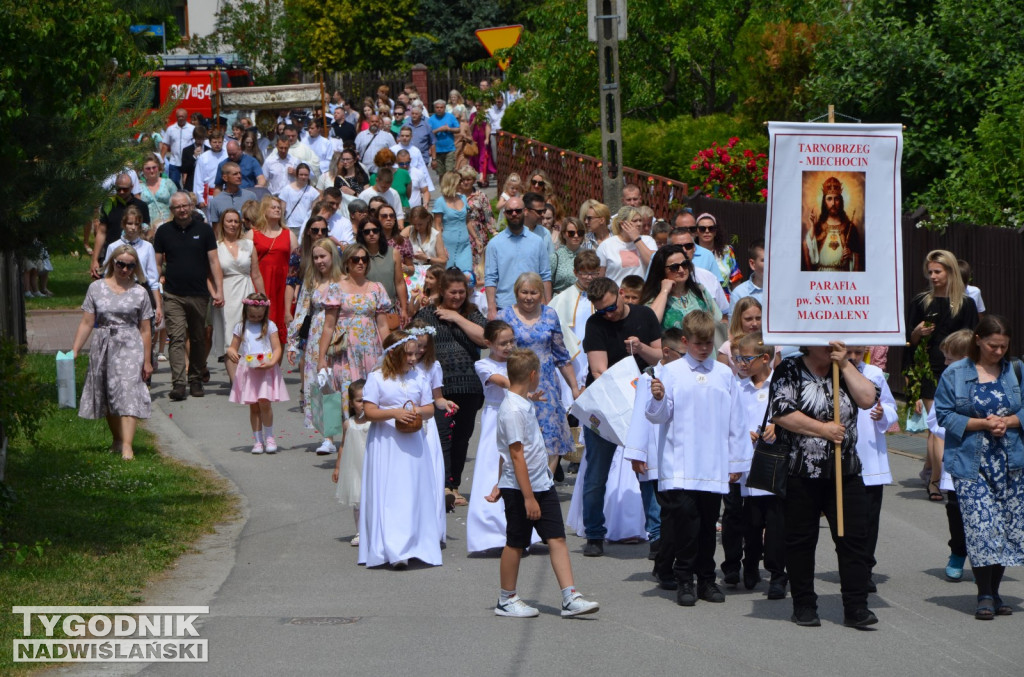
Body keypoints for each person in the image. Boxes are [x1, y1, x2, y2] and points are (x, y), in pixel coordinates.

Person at [768, 341, 880, 627]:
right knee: (801, 540)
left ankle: (856, 606)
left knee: (853, 540)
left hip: (845, 471)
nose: (835, 344)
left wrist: (844, 365)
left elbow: (868, 399)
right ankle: (804, 604)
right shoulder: (790, 368)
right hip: (801, 470)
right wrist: (824, 430)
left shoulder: (846, 369)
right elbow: (781, 411)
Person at [488, 348, 601, 618]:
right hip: (521, 489)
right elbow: (515, 456)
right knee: (516, 542)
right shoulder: (513, 411)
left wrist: (530, 397)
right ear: (533, 375)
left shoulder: (521, 401)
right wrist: (527, 497)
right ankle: (506, 599)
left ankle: (569, 596)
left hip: (542, 483)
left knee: (557, 538)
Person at [644, 311, 745, 606]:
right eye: (698, 344)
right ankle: (684, 578)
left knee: (707, 525)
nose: (704, 349)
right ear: (685, 341)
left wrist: (736, 462)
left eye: (708, 344)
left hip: (712, 464)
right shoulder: (671, 372)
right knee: (686, 524)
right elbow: (657, 416)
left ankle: (706, 580)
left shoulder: (724, 374)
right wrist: (659, 398)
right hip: (681, 462)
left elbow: (735, 421)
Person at [935, 314, 1024, 620]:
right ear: (977, 340)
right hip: (970, 463)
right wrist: (982, 424)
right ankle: (984, 593)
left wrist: (1008, 421)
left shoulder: (1016, 370)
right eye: (992, 346)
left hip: (1011, 463)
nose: (998, 352)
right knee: (981, 528)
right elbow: (944, 414)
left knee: (1003, 529)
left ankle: (996, 592)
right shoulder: (956, 373)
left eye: (1003, 347)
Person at [580, 276, 663, 556]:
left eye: (611, 307)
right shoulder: (596, 324)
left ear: (623, 295)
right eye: (601, 311)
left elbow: (660, 357)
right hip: (606, 404)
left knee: (647, 471)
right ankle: (594, 533)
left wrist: (641, 348)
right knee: (596, 474)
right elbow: (598, 371)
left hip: (642, 401)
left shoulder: (645, 315)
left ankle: (657, 535)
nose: (608, 314)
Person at [358, 331, 444, 569]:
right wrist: (394, 412)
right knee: (391, 493)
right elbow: (370, 412)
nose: (413, 358)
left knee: (413, 491)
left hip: (413, 442)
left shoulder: (419, 377)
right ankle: (393, 548)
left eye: (415, 353)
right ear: (394, 354)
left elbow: (429, 408)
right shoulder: (377, 378)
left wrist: (415, 412)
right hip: (387, 443)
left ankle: (417, 543)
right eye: (408, 354)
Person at [908, 249, 980, 500]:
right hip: (928, 368)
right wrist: (917, 331)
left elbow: (973, 339)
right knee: (936, 425)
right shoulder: (921, 301)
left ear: (950, 272)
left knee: (950, 424)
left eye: (937, 271)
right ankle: (936, 481)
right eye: (929, 272)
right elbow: (909, 340)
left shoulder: (965, 304)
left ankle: (932, 468)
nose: (933, 276)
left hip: (958, 370)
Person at [71, 244, 154, 461]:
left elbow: (145, 329)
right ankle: (117, 439)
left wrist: (147, 361)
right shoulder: (96, 288)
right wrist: (75, 350)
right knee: (109, 394)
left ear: (135, 268)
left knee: (128, 391)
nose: (125, 269)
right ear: (112, 263)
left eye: (130, 265)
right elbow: (87, 322)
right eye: (121, 264)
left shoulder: (140, 292)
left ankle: (128, 446)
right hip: (103, 344)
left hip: (130, 343)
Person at [412, 269, 487, 507]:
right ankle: (442, 484)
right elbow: (414, 341)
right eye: (452, 292)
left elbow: (486, 338)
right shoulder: (426, 314)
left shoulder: (472, 313)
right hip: (439, 386)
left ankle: (454, 485)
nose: (457, 297)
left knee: (462, 437)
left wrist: (456, 317)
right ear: (442, 291)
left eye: (461, 292)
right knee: (443, 436)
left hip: (469, 385)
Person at [499, 273, 581, 471]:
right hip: (517, 381)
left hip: (546, 384)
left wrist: (574, 387)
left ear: (541, 294)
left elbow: (561, 355)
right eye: (524, 292)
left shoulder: (550, 314)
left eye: (534, 293)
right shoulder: (504, 316)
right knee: (521, 436)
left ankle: (547, 485)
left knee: (550, 436)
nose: (529, 297)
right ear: (516, 293)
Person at [467, 321, 534, 553]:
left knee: (519, 466)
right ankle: (491, 531)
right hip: (495, 415)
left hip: (519, 412)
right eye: (502, 343)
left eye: (511, 342)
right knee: (491, 466)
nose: (508, 347)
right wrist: (522, 387)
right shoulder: (483, 364)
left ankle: (523, 528)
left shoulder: (518, 361)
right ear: (489, 343)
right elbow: (501, 381)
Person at [622, 329, 686, 571]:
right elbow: (639, 415)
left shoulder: (684, 376)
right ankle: (658, 543)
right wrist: (637, 453)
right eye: (682, 354)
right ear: (667, 353)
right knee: (654, 502)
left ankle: (670, 548)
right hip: (652, 450)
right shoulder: (650, 376)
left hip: (675, 449)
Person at [730, 332, 787, 598]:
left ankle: (777, 574)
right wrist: (744, 434)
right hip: (748, 469)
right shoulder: (737, 387)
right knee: (750, 524)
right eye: (738, 358)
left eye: (746, 358)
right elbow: (729, 422)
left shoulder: (781, 386)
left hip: (774, 467)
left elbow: (795, 415)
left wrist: (778, 425)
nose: (741, 364)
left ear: (765, 358)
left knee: (776, 524)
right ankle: (749, 564)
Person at [154, 192, 224, 401]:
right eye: (177, 207)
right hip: (173, 293)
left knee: (198, 337)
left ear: (191, 206)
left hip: (199, 293)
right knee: (176, 338)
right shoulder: (163, 232)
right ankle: (179, 383)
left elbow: (213, 261)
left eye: (185, 206)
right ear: (172, 210)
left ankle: (195, 378)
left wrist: (218, 290)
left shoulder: (204, 231)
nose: (182, 210)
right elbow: (157, 264)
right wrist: (155, 288)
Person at [847, 344, 898, 592]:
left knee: (869, 518)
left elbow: (890, 405)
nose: (854, 358)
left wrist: (882, 413)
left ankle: (865, 567)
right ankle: (851, 564)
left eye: (858, 352)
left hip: (869, 455)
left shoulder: (874, 374)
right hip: (844, 455)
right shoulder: (833, 373)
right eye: (849, 352)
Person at [287, 240, 344, 453]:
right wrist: (292, 344)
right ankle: (328, 437)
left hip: (341, 335)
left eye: (324, 256)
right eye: (316, 257)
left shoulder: (344, 280)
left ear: (333, 256)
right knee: (323, 384)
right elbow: (301, 311)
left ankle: (349, 434)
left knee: (341, 384)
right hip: (317, 334)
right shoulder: (312, 282)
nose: (320, 261)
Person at [926, 329, 974, 581]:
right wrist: (964, 426)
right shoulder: (948, 379)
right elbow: (934, 421)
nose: (944, 364)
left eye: (949, 359)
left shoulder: (990, 377)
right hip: (958, 454)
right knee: (956, 509)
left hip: (987, 457)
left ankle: (983, 560)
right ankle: (957, 552)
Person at [227, 292, 289, 454]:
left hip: (265, 369)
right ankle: (258, 440)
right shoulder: (241, 327)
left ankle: (269, 437)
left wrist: (272, 362)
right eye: (252, 316)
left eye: (258, 316)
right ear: (246, 312)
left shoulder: (270, 326)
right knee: (254, 407)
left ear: (265, 313)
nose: (255, 318)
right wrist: (231, 351)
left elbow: (277, 349)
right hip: (249, 370)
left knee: (265, 403)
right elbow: (233, 346)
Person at [212, 209, 264, 384]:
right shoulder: (215, 246)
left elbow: (256, 273)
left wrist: (262, 297)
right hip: (226, 292)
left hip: (247, 289)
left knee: (248, 335)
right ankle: (237, 383)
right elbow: (208, 274)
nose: (233, 224)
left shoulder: (248, 245)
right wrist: (215, 294)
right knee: (229, 337)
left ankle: (250, 378)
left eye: (236, 221)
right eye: (229, 221)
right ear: (222, 223)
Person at [484, 197, 552, 320]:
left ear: (525, 211)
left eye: (518, 210)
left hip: (533, 305)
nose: (514, 214)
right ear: (505, 214)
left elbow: (545, 275)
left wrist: (548, 304)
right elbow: (490, 278)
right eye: (510, 211)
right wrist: (491, 309)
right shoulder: (494, 244)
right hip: (505, 306)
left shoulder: (537, 241)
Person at [640, 245, 722, 332]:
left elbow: (718, 321)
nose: (681, 270)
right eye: (674, 267)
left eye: (684, 264)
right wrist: (664, 292)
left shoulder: (700, 290)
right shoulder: (653, 299)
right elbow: (650, 324)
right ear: (661, 270)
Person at [251, 196, 299, 334]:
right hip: (260, 281)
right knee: (258, 324)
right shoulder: (252, 234)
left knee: (280, 325)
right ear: (264, 210)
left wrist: (295, 290)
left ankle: (278, 355)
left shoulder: (289, 234)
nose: (277, 209)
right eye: (273, 207)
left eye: (279, 207)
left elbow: (295, 266)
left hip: (282, 284)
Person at [333, 379, 370, 547]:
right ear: (352, 403)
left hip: (370, 466)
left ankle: (374, 529)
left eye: (366, 400)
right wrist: (338, 467)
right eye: (359, 400)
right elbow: (343, 445)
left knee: (372, 498)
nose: (363, 404)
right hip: (355, 467)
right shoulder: (349, 424)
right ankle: (360, 531)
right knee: (357, 500)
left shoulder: (374, 423)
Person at [91, 174, 151, 276]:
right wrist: (94, 259)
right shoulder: (108, 205)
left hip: (134, 255)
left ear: (132, 187)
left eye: (125, 189)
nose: (121, 192)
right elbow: (101, 232)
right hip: (112, 252)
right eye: (118, 189)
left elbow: (147, 231)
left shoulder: (141, 206)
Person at [801, 177, 864, 273]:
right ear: (824, 202)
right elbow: (807, 248)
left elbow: (858, 256)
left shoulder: (850, 227)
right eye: (829, 199)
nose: (833, 203)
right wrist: (813, 227)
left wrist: (851, 255)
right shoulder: (817, 227)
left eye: (836, 199)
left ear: (841, 201)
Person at [356, 218, 408, 326]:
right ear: (361, 234)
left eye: (375, 230)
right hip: (364, 309)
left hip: (388, 309)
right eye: (366, 232)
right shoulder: (356, 255)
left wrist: (404, 309)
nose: (371, 234)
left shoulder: (393, 253)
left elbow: (399, 282)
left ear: (380, 232)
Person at [596, 206, 655, 284]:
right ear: (622, 224)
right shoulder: (606, 245)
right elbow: (600, 277)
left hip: (641, 293)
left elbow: (653, 264)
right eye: (635, 221)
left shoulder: (648, 240)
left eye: (640, 220)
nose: (639, 224)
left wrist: (636, 239)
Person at [433, 171, 476, 273]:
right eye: (459, 181)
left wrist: (476, 238)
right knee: (448, 276)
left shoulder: (463, 198)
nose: (462, 183)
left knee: (467, 275)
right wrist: (441, 246)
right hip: (448, 244)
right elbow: (437, 226)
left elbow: (467, 220)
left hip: (464, 244)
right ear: (452, 183)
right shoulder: (440, 201)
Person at [457, 166, 495, 280]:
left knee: (479, 267)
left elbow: (489, 216)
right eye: (462, 179)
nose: (465, 182)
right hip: (460, 234)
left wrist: (494, 232)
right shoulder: (455, 196)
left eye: (468, 179)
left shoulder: (481, 196)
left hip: (478, 235)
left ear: (473, 180)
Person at [693, 213, 743, 295]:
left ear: (716, 232)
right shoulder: (691, 252)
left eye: (711, 228)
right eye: (702, 229)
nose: (707, 231)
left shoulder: (727, 251)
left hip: (725, 301)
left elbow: (736, 281)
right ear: (696, 232)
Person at [208, 162, 257, 226]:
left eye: (240, 173)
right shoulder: (216, 202)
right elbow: (216, 230)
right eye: (235, 174)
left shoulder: (251, 196)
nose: (239, 176)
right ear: (225, 178)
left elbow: (257, 222)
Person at [279, 163, 321, 235]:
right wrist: (282, 226)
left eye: (306, 175)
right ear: (296, 175)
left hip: (305, 227)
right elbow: (282, 210)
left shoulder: (313, 192)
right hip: (290, 226)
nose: (303, 177)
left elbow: (314, 212)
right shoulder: (286, 189)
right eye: (301, 174)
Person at [138, 154, 176, 228]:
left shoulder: (168, 183)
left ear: (158, 168)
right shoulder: (140, 187)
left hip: (168, 224)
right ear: (143, 170)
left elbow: (176, 203)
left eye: (154, 167)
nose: (151, 171)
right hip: (148, 227)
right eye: (148, 169)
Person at [161, 108, 194, 188]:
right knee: (173, 182)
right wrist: (161, 159)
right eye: (179, 116)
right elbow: (165, 145)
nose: (181, 118)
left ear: (186, 117)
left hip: (187, 161)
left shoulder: (192, 129)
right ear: (176, 117)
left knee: (186, 183)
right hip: (174, 161)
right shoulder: (170, 129)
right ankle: (177, 194)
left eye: (182, 116)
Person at [428, 100, 460, 175]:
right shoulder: (431, 119)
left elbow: (458, 129)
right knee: (441, 173)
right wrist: (439, 130)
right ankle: (443, 187)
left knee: (449, 172)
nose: (439, 109)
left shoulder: (450, 117)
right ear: (434, 108)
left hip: (450, 149)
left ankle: (450, 186)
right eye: (437, 107)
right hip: (437, 150)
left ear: (445, 108)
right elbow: (428, 134)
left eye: (441, 107)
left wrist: (448, 129)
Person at [731, 239, 765, 303]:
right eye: (764, 260)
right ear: (752, 264)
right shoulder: (739, 294)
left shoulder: (785, 290)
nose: (770, 264)